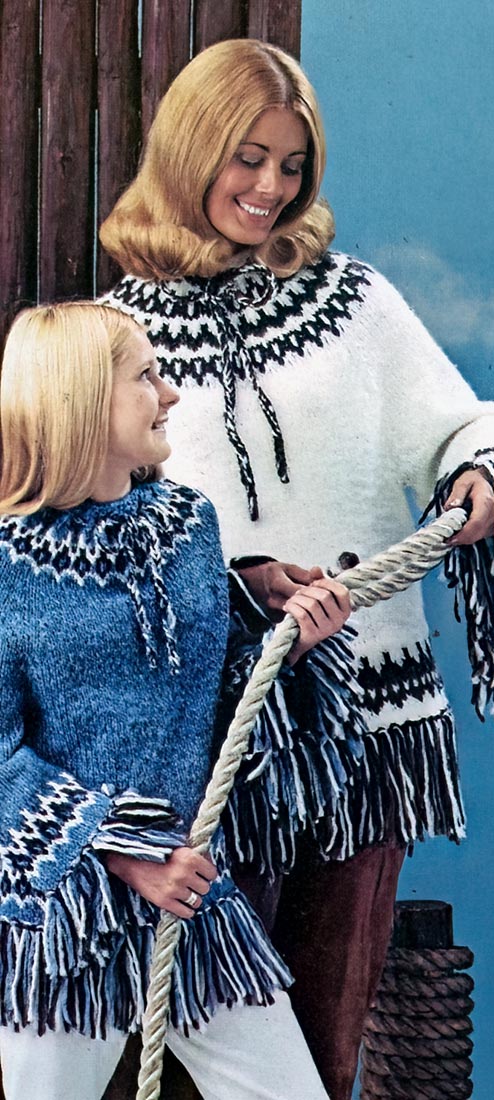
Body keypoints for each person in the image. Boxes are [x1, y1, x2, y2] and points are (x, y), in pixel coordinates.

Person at [100, 38, 494, 1100]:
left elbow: (461, 424)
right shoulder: (114, 336)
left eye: (291, 164)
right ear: (190, 151)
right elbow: (99, 537)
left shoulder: (355, 301)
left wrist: (474, 472)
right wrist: (241, 581)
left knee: (318, 1052)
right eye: (248, 158)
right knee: (188, 1048)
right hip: (207, 742)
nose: (270, 187)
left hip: (370, 725)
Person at [0, 300, 357, 1100]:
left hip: (191, 899)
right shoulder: (4, 568)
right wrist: (125, 853)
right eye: (147, 377)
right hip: (64, 922)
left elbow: (214, 699)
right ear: (80, 399)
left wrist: (290, 644)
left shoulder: (189, 527)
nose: (171, 395)